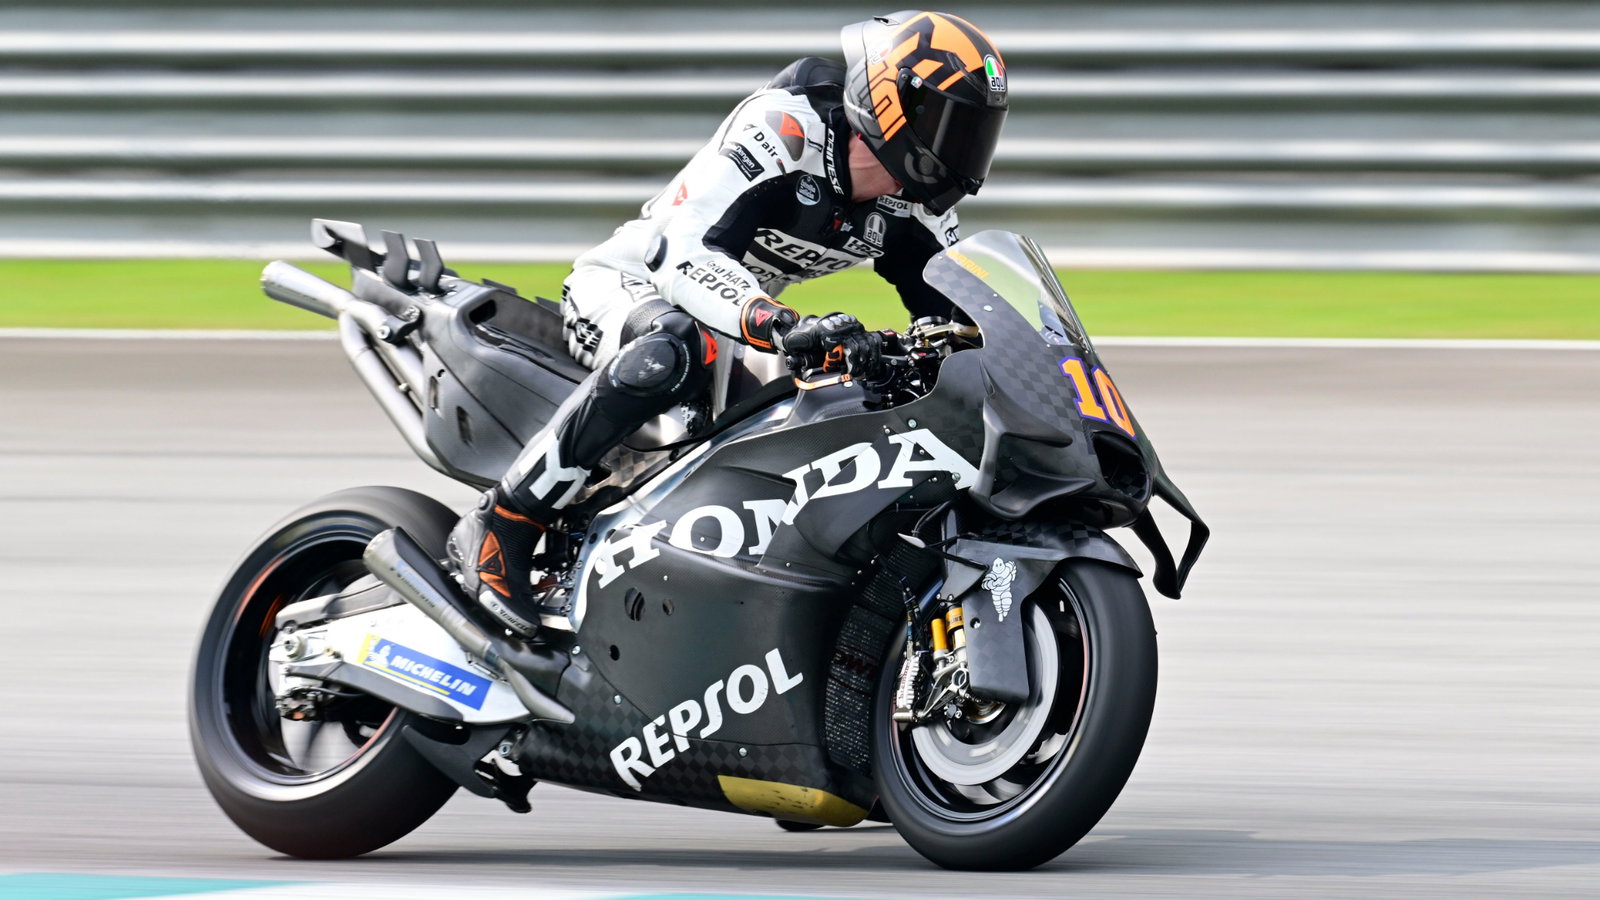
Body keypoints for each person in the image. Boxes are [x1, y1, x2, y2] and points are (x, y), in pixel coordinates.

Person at [447, 10, 1010, 636]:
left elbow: (958, 313)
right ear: (888, 102)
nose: (965, 147)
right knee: (677, 349)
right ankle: (502, 524)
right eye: (951, 123)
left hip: (738, 323)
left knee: (842, 406)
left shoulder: (912, 206)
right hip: (632, 285)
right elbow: (679, 253)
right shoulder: (784, 126)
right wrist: (780, 323)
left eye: (977, 129)